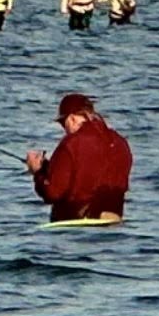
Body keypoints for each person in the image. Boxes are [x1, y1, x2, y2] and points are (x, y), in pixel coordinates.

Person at [26, 93, 133, 222]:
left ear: (72, 119)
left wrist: (38, 172)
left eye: (62, 122)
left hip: (75, 225)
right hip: (114, 223)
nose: (64, 129)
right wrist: (50, 169)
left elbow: (52, 192)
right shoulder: (121, 143)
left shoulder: (72, 144)